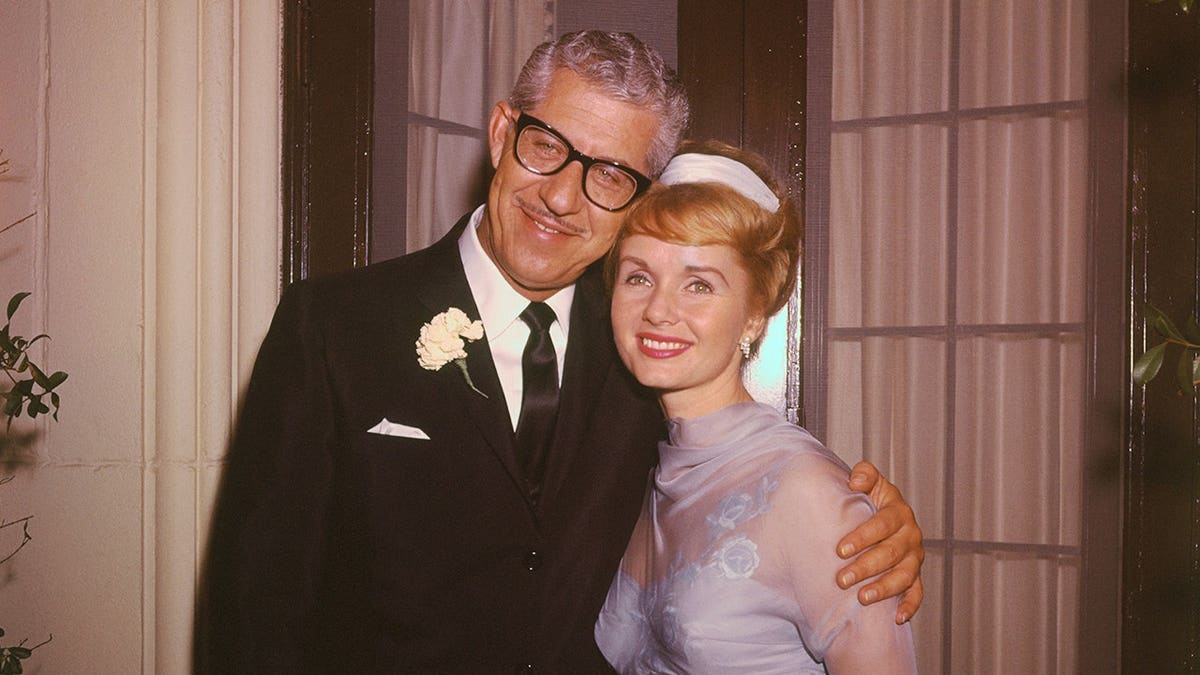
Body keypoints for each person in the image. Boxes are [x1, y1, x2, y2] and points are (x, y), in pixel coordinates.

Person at [196, 31, 923, 673]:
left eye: (608, 173)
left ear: (636, 199)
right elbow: (254, 614)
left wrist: (873, 526)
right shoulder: (330, 328)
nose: (563, 197)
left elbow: (739, 496)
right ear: (501, 132)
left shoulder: (646, 355)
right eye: (547, 146)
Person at [594, 141, 918, 673]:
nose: (658, 308)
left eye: (699, 283)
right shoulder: (652, 470)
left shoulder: (808, 491)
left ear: (753, 314)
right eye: (638, 276)